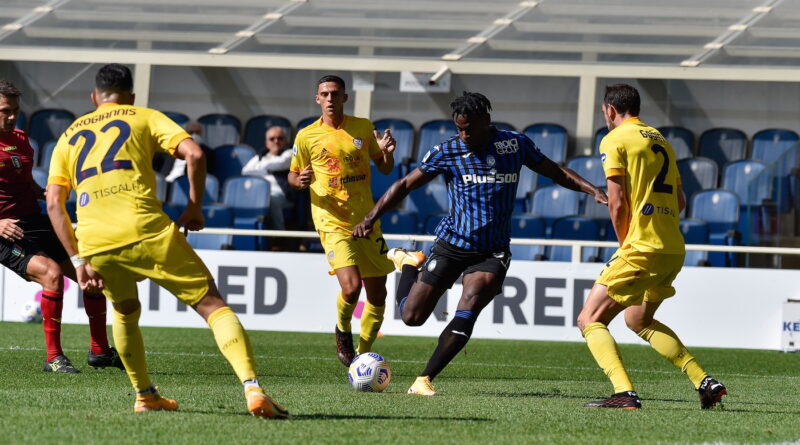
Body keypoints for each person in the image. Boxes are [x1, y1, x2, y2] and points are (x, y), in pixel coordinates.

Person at [45, 64, 288, 419]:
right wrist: (193, 206)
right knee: (212, 304)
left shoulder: (69, 135)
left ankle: (144, 395)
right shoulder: (143, 116)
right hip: (145, 228)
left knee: (125, 311)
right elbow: (196, 154)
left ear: (94, 97)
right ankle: (253, 389)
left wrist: (79, 262)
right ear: (130, 96)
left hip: (95, 240)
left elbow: (53, 202)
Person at [353, 91, 607, 396]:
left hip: (492, 250)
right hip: (451, 244)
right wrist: (370, 217)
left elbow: (555, 171)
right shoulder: (448, 151)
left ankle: (424, 379)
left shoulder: (514, 144)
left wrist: (593, 190)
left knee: (470, 303)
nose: (464, 134)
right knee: (412, 317)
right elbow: (405, 184)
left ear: (487, 120)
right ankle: (408, 264)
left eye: (469, 128)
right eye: (459, 128)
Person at [575, 84, 726, 409]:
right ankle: (704, 380)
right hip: (672, 248)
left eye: (605, 113)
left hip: (640, 248)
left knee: (589, 319)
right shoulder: (663, 141)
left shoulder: (614, 139)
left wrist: (625, 244)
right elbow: (681, 200)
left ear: (610, 111)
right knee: (638, 320)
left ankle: (624, 393)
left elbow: (616, 204)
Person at [0, 79, 122, 373]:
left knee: (90, 272)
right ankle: (53, 358)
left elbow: (24, 182)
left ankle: (100, 351)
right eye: (5, 110)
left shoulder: (20, 139)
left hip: (34, 220)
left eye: (15, 110)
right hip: (6, 231)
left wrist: (44, 192)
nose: (12, 116)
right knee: (53, 276)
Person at [288, 74, 400, 366]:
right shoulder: (306, 135)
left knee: (378, 293)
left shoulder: (362, 127)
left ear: (344, 98)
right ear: (317, 99)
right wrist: (299, 180)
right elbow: (293, 173)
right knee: (351, 288)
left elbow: (385, 169)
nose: (329, 99)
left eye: (335, 94)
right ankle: (342, 331)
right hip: (331, 221)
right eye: (324, 94)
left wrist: (387, 154)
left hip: (366, 220)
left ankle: (363, 354)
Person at [241, 126, 295, 231]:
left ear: (286, 141)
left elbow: (280, 163)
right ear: (266, 143)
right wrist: (268, 169)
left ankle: (279, 235)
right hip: (258, 193)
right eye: (272, 139)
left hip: (281, 194)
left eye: (280, 138)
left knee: (272, 199)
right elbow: (245, 171)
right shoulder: (260, 156)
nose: (276, 141)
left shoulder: (290, 153)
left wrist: (259, 168)